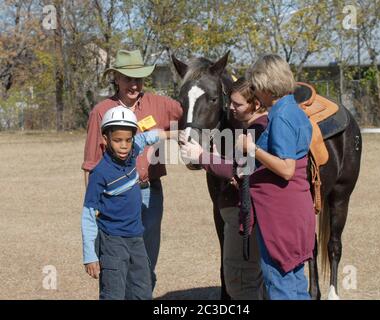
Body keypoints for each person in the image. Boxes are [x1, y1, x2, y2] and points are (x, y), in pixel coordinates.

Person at [82, 49, 183, 290]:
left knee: (145, 262)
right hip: (113, 196)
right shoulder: (101, 111)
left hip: (149, 193)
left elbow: (192, 115)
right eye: (128, 78)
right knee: (116, 263)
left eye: (138, 78)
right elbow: (90, 165)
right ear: (116, 77)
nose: (134, 84)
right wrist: (95, 209)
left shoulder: (160, 104)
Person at [235, 54, 315, 299]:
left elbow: (286, 169)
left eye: (257, 87)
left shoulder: (280, 116)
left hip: (280, 216)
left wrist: (252, 149)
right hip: (296, 210)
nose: (256, 94)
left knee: (280, 284)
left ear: (266, 85)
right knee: (296, 282)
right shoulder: (295, 110)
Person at [179, 77, 266, 300]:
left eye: (237, 104)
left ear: (255, 105)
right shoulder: (251, 129)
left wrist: (202, 157)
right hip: (240, 218)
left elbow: (240, 171)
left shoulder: (256, 132)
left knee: (241, 285)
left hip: (245, 219)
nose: (230, 108)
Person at [81, 106, 176, 300]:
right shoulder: (100, 174)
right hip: (112, 243)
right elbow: (88, 214)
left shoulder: (133, 152)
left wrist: (173, 134)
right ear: (105, 139)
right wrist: (90, 255)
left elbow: (146, 137)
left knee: (142, 290)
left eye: (128, 139)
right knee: (114, 293)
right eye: (117, 140)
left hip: (136, 239)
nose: (124, 145)